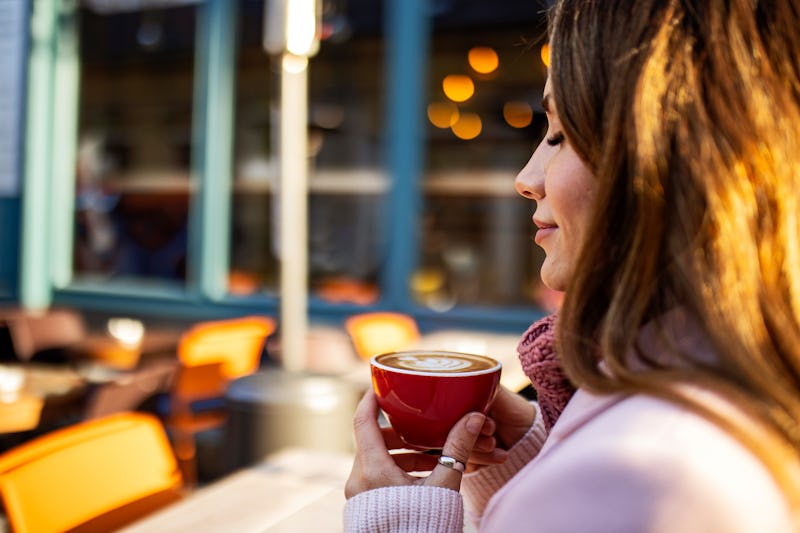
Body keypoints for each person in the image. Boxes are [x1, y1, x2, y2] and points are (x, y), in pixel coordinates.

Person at [343, 0, 800, 530]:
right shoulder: (738, 390)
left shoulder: (631, 477)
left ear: (671, 159)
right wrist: (534, 455)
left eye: (559, 134)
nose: (527, 175)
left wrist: (397, 522)